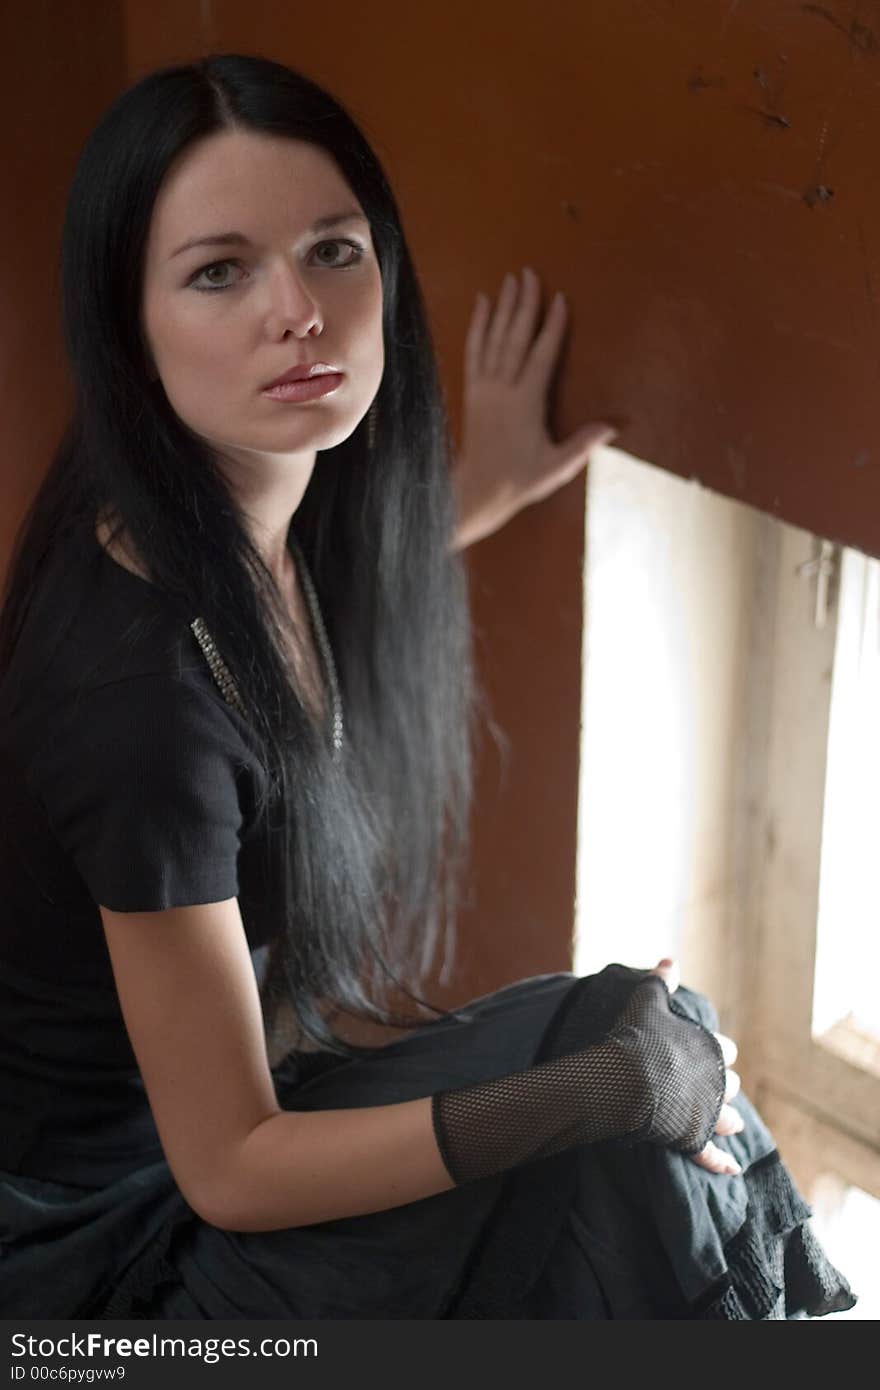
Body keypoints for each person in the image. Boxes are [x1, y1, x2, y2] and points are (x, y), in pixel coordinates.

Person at [0, 52, 855, 1321]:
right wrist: (589, 1092)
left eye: (334, 251)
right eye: (218, 271)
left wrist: (490, 484)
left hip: (206, 1163)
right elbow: (230, 1166)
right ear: (129, 327)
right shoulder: (138, 707)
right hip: (105, 1264)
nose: (298, 310)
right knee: (611, 1109)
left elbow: (310, 608)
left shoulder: (236, 524)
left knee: (632, 1041)